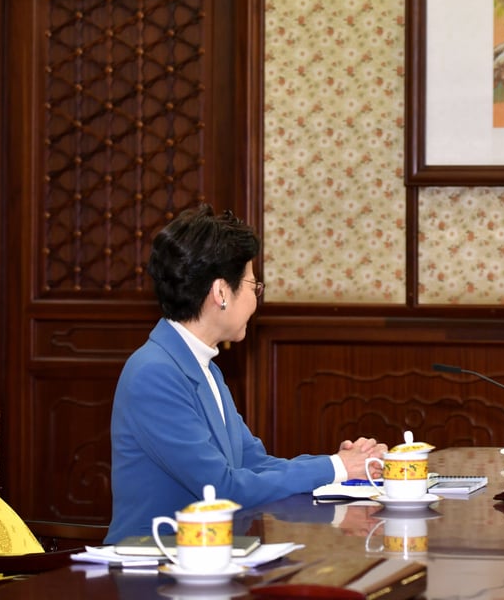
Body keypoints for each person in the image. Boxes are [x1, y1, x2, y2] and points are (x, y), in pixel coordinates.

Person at [107, 205, 387, 542]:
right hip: (156, 566)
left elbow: (253, 464)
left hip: (209, 555)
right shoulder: (155, 374)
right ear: (221, 292)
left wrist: (342, 462)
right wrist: (338, 467)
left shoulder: (201, 364)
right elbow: (221, 487)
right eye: (254, 286)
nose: (256, 300)